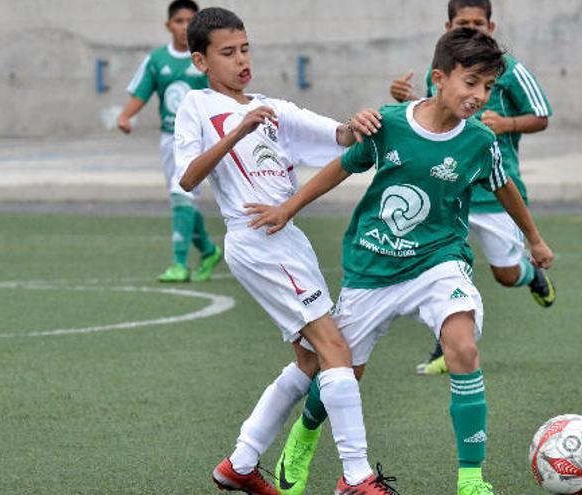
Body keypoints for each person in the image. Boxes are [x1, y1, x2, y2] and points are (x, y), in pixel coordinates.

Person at [249, 27, 555, 495]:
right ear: (439, 78)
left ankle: (471, 478)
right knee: (341, 373)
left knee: (463, 347)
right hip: (373, 268)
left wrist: (533, 239)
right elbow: (341, 166)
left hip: (440, 260)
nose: (480, 95)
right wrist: (289, 208)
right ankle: (305, 433)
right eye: (471, 82)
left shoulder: (478, 141)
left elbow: (503, 186)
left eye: (489, 87)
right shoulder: (388, 123)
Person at [174, 8, 398, 494]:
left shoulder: (273, 108)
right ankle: (357, 478)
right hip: (256, 237)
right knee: (335, 348)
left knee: (313, 359)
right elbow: (188, 178)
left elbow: (341, 136)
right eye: (228, 53)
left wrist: (361, 119)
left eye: (246, 49)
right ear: (201, 61)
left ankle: (241, 462)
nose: (241, 60)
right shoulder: (197, 106)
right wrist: (237, 131)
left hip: (286, 239)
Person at [390, 0, 556, 375]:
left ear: (491, 28)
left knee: (505, 273)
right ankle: (446, 349)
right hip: (448, 190)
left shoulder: (509, 70)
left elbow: (542, 115)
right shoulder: (447, 69)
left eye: (478, 23)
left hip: (494, 193)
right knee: (445, 268)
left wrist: (509, 124)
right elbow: (429, 116)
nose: (472, 29)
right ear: (447, 26)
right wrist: (403, 100)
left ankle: (532, 278)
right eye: (462, 23)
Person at [117, 0, 221, 283]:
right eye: (179, 21)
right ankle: (210, 251)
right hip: (169, 140)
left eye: (191, 20)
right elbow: (141, 93)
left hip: (198, 140)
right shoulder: (157, 60)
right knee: (183, 200)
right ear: (168, 25)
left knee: (181, 196)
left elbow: (221, 94)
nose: (185, 27)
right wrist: (126, 116)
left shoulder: (206, 58)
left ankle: (179, 264)